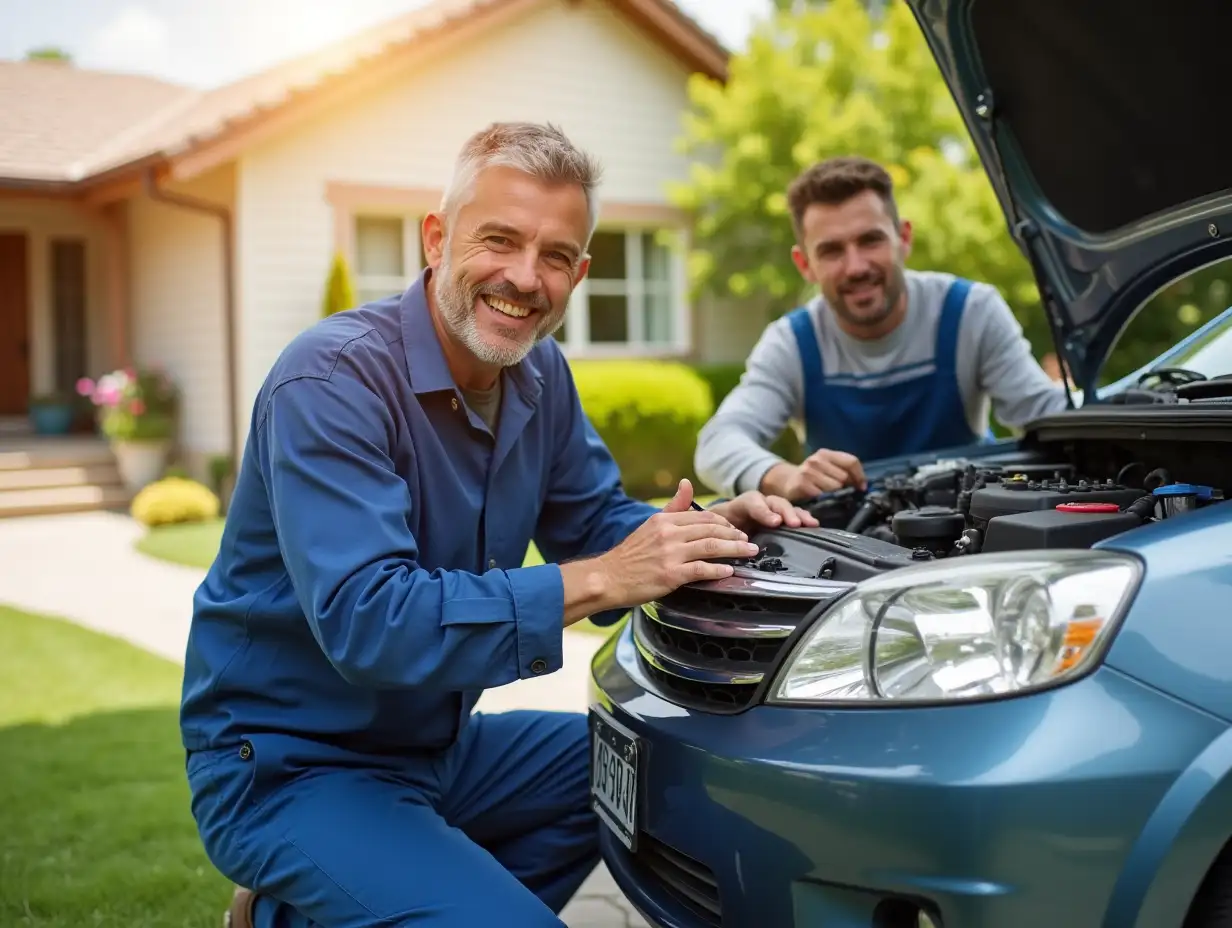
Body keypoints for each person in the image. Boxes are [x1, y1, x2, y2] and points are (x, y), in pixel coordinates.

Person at [180, 121, 816, 928]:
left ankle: (328, 909)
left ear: (580, 273)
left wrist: (700, 534)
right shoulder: (330, 380)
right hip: (288, 764)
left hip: (437, 752)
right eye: (500, 240)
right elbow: (369, 619)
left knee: (647, 770)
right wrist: (607, 577)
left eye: (555, 256)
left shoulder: (539, 373)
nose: (525, 277)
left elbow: (596, 526)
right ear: (438, 238)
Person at [693, 155, 1070, 503]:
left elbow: (1044, 415)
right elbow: (717, 441)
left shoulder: (970, 312)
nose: (856, 266)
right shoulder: (792, 342)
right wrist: (781, 476)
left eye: (870, 240)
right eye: (832, 250)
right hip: (847, 544)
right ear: (804, 264)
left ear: (903, 238)